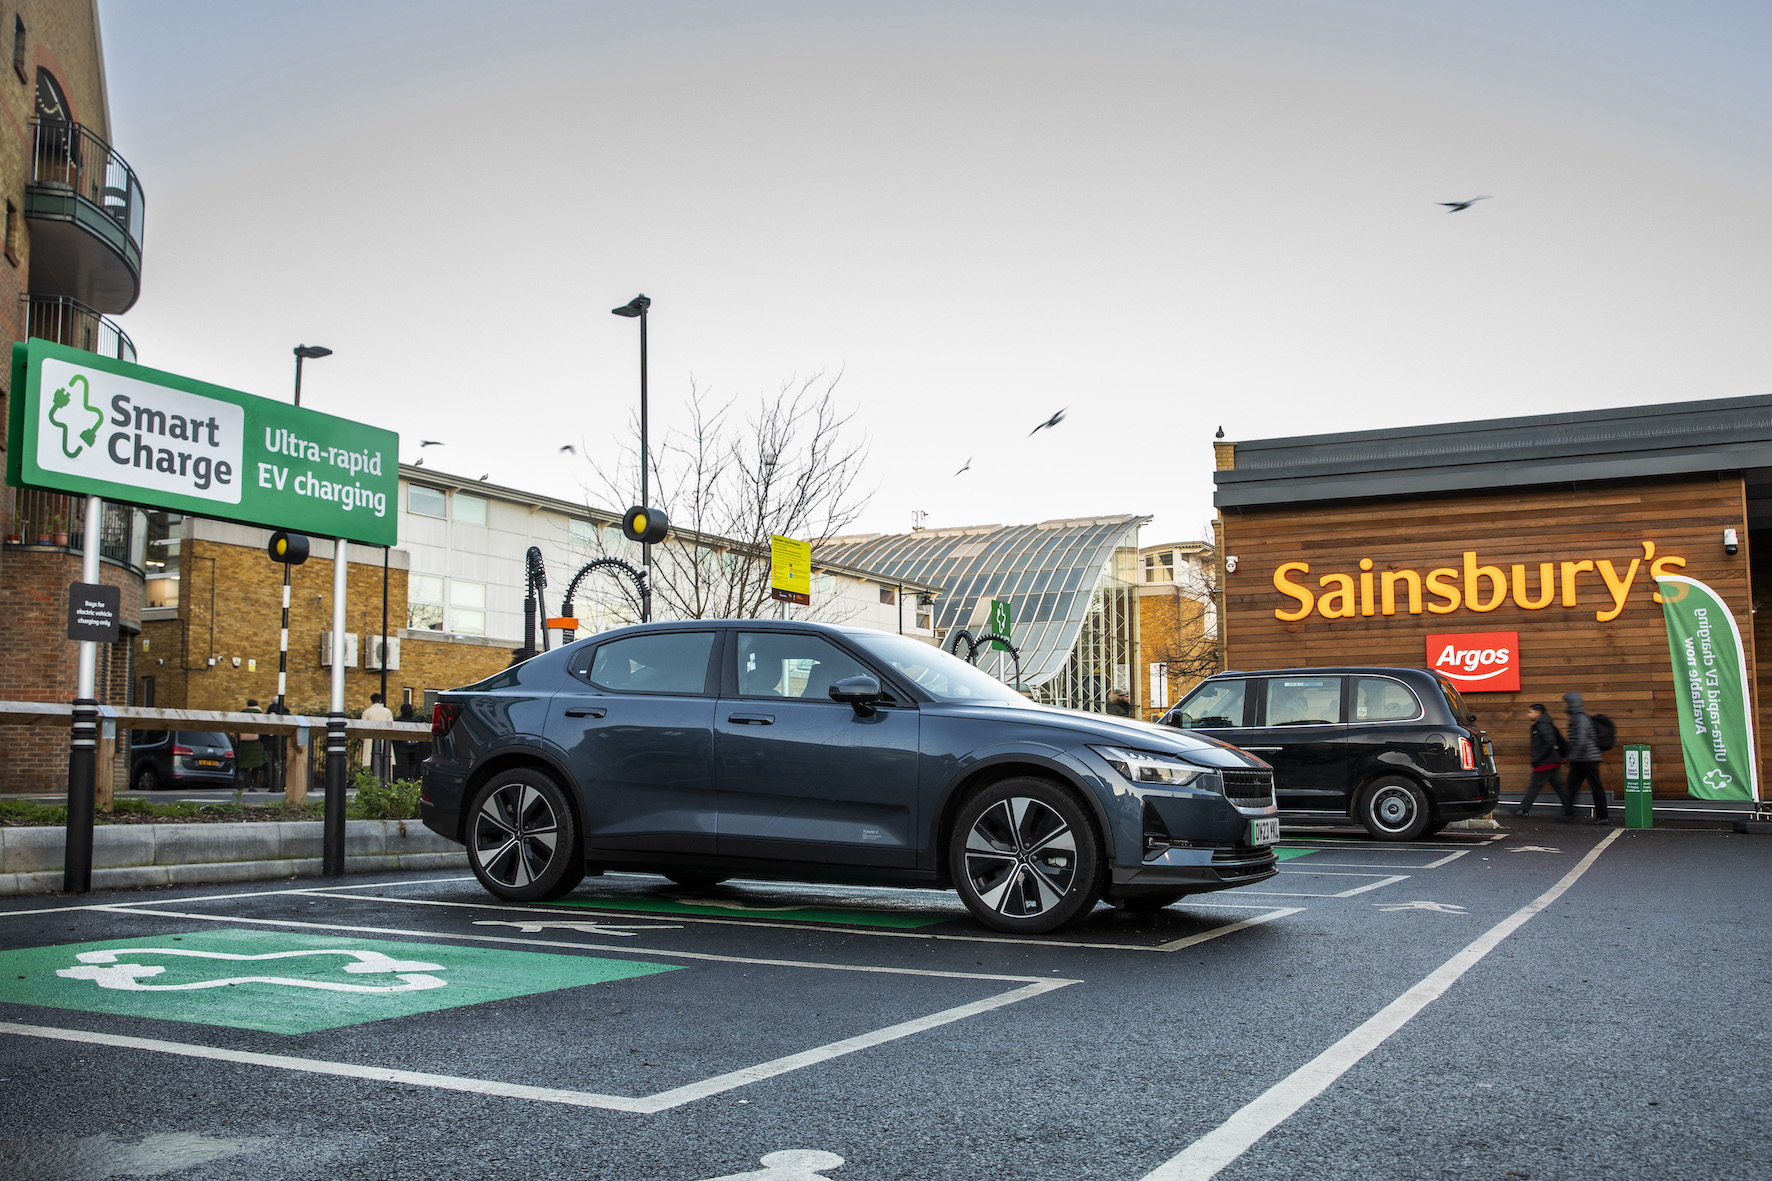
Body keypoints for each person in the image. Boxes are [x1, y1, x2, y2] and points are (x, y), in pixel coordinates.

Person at [1511, 704, 1571, 818]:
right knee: (1558, 786)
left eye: (1530, 712)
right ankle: (1570, 809)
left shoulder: (1542, 726)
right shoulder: (1546, 724)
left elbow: (1549, 743)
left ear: (1538, 713)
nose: (1528, 714)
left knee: (1535, 786)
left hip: (1545, 762)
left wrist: (1538, 758)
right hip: (1552, 761)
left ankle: (1523, 809)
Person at [1563, 691, 1610, 824]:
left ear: (1572, 703)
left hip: (1588, 758)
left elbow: (1581, 740)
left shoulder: (1580, 718)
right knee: (1573, 786)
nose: (1565, 705)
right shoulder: (1577, 717)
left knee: (1595, 787)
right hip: (1583, 758)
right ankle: (1569, 813)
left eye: (1566, 702)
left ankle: (1602, 816)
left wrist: (1572, 755)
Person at [392, 700, 431, 782]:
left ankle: (405, 781)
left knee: (403, 767)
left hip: (402, 749)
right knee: (413, 766)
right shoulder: (415, 720)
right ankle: (411, 780)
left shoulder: (399, 721)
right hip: (414, 748)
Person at [235, 699, 266, 791]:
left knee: (243, 763)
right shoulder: (259, 714)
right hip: (256, 743)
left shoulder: (242, 714)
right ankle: (252, 784)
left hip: (243, 743)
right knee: (256, 765)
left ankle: (240, 777)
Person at [361, 692, 395, 777]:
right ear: (380, 701)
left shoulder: (366, 712)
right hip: (385, 741)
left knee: (369, 767)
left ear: (371, 701)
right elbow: (391, 726)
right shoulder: (387, 712)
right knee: (386, 766)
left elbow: (362, 730)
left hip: (369, 741)